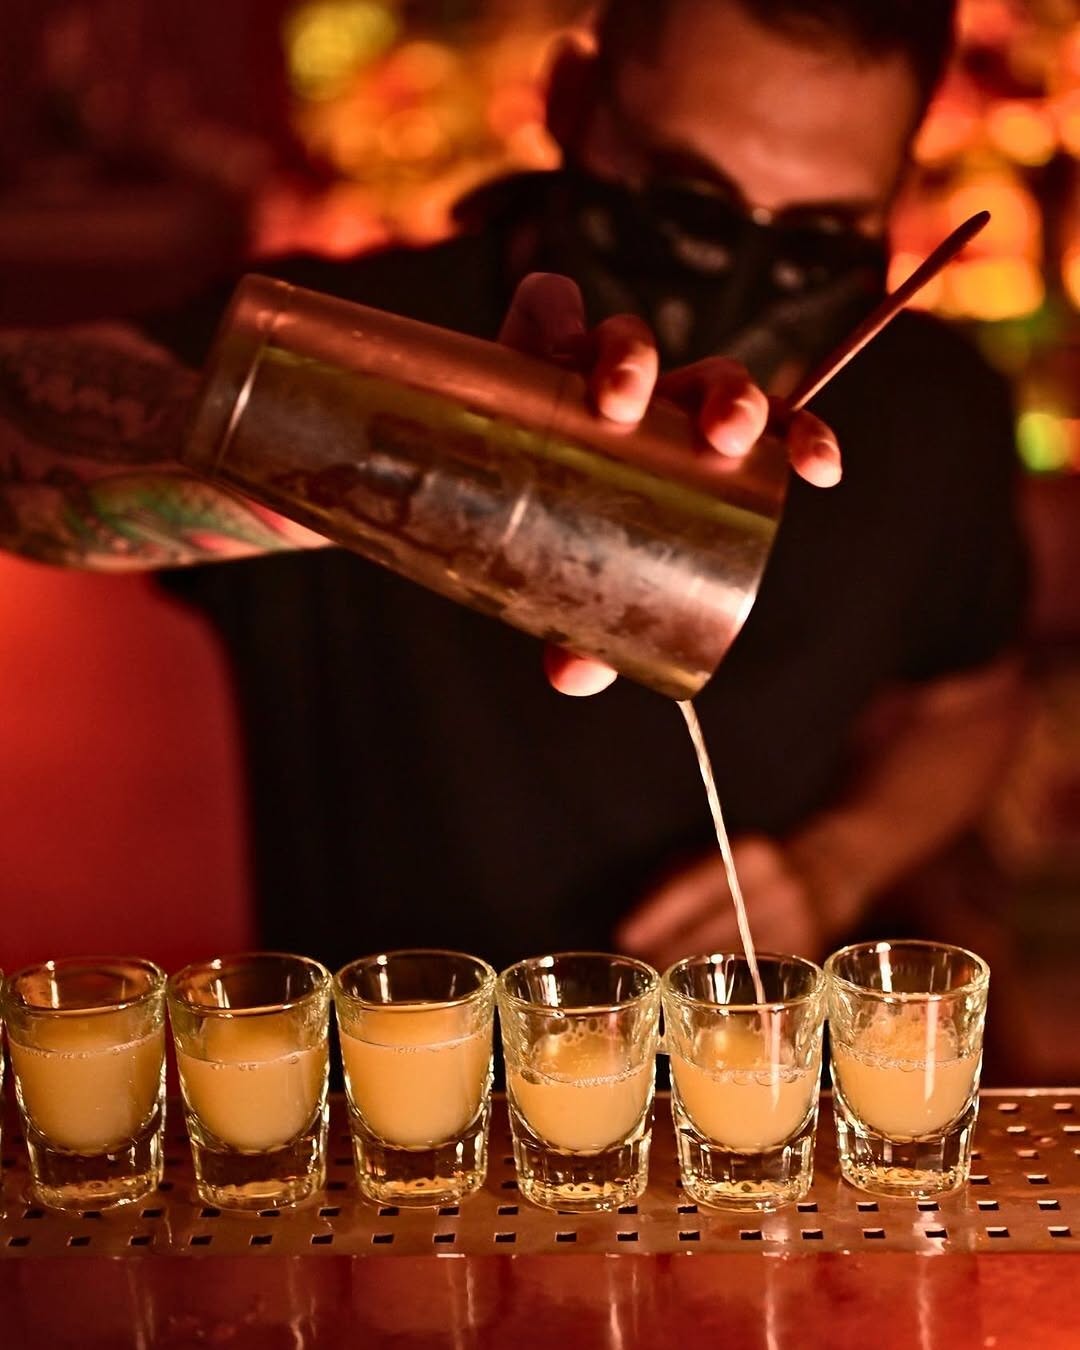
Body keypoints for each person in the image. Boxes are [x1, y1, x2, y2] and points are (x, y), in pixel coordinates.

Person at [0, 0, 1027, 986]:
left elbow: (972, 703)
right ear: (573, 100)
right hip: (384, 1075)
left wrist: (833, 868)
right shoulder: (362, 336)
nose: (737, 272)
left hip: (722, 1075)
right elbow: (19, 452)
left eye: (817, 238)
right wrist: (443, 444)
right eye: (686, 200)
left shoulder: (934, 413)